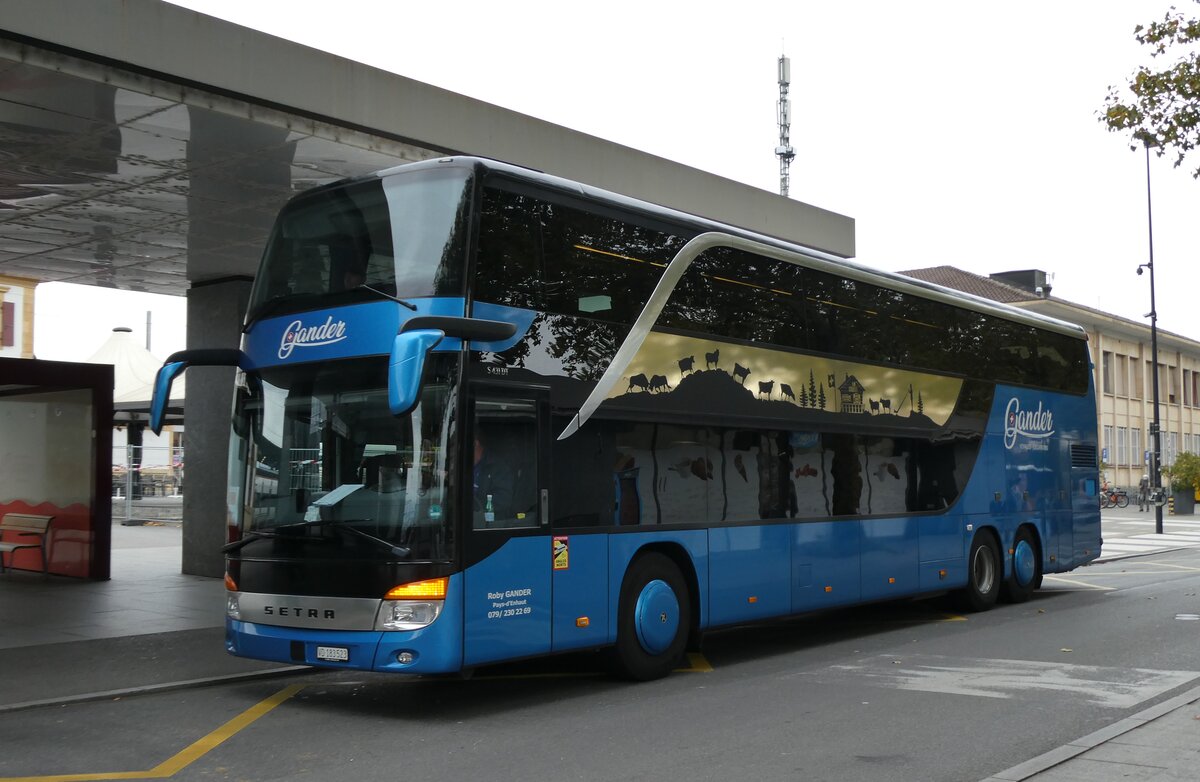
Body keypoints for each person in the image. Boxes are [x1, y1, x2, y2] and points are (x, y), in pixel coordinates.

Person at [473, 431, 515, 526]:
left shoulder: (498, 466)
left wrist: (476, 506)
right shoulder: (463, 467)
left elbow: (504, 499)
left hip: (491, 524)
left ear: (475, 443)